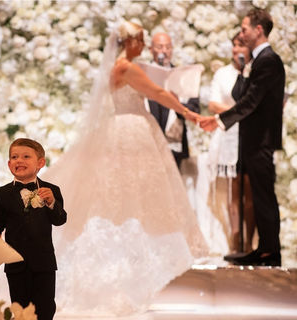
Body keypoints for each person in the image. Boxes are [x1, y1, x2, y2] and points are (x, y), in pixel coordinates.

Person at [41, 21, 208, 317]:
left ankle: (139, 256)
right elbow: (157, 92)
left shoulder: (121, 66)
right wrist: (189, 114)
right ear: (129, 42)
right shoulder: (126, 68)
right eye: (140, 40)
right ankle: (134, 266)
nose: (143, 46)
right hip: (132, 130)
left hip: (128, 127)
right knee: (135, 193)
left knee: (133, 193)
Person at [200, 8, 285, 267]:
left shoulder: (268, 60)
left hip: (261, 140)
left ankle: (270, 250)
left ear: (259, 30)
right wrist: (242, 66)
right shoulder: (255, 62)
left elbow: (250, 102)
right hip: (251, 140)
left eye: (245, 28)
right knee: (257, 196)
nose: (241, 33)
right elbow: (241, 95)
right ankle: (264, 248)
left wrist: (218, 121)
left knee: (263, 195)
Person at [0, 138, 67, 320]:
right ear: (9, 164)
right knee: (20, 309)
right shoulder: (2, 193)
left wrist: (52, 203)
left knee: (45, 307)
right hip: (16, 263)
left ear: (40, 163)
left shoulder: (51, 190)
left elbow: (60, 219)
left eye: (25, 156)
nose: (19, 160)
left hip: (44, 262)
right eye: (14, 157)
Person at [207, 33, 256, 253]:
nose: (237, 50)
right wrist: (239, 112)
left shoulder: (255, 72)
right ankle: (235, 241)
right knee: (233, 191)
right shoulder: (223, 74)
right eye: (234, 46)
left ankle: (250, 242)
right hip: (229, 134)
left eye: (242, 45)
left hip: (251, 135)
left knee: (250, 190)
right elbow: (213, 104)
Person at [146, 32, 201, 169]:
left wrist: (178, 104)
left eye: (168, 47)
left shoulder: (183, 75)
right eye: (160, 47)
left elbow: (195, 109)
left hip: (173, 142)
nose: (164, 51)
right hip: (147, 141)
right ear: (150, 49)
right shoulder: (142, 75)